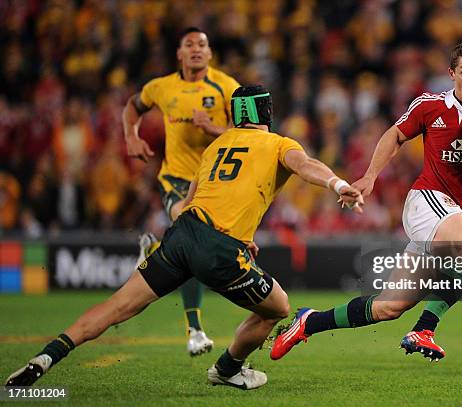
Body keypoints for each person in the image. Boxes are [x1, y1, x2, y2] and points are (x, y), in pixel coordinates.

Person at [5, 85, 364, 390]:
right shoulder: (277, 143)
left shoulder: (217, 146)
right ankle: (227, 369)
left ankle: (48, 354)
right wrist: (339, 183)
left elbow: (190, 201)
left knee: (116, 307)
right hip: (218, 248)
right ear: (266, 111)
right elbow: (307, 165)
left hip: (183, 234)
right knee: (278, 308)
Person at [270, 41, 462, 362]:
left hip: (456, 217)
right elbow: (395, 135)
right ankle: (425, 329)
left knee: (389, 306)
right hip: (427, 202)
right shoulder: (429, 105)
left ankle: (309, 322)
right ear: (451, 73)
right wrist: (370, 177)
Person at [123, 27, 240, 355]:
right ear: (179, 53)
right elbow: (132, 108)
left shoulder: (226, 87)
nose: (196, 49)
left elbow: (248, 132)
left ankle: (155, 250)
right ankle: (196, 330)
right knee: (192, 237)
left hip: (213, 184)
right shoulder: (161, 87)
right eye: (189, 44)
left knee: (199, 252)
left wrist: (212, 128)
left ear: (210, 53)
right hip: (175, 180)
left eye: (202, 44)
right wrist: (132, 137)